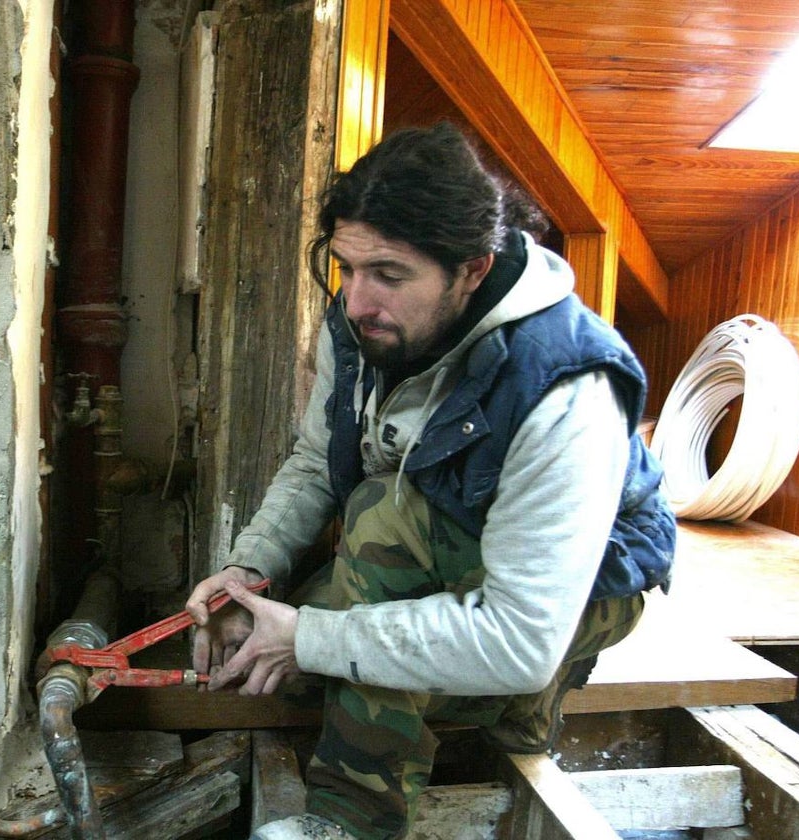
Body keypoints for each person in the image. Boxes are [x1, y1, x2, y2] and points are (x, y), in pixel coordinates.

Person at [184, 122, 676, 840]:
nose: (356, 301)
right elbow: (318, 461)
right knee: (310, 640)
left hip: (580, 586)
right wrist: (248, 572)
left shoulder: (568, 386)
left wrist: (315, 638)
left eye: (388, 274)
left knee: (374, 541)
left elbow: (519, 633)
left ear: (472, 269)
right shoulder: (362, 322)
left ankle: (350, 817)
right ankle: (505, 710)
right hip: (449, 538)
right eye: (346, 267)